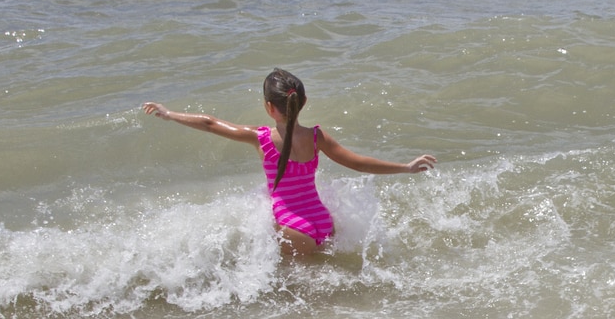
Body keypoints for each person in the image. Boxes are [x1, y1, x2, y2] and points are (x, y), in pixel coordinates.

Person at [143, 68, 435, 257]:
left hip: (292, 225)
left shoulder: (261, 138)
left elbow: (209, 123)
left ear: (269, 107)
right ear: (303, 102)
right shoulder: (317, 137)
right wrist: (406, 167)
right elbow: (359, 163)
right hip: (322, 220)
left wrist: (169, 114)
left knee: (300, 299)